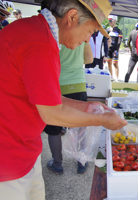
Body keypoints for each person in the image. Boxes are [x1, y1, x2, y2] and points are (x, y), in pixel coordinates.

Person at [0, 0, 127, 199]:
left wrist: (89, 106)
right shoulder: (39, 41)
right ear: (72, 17)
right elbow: (52, 113)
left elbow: (48, 99)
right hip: (7, 156)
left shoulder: (36, 31)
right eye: (90, 31)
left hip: (24, 149)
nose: (88, 40)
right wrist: (102, 120)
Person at [45, 42, 93, 175]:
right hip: (78, 84)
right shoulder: (82, 37)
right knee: (80, 126)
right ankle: (81, 162)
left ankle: (57, 164)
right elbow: (89, 59)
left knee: (53, 128)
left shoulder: (55, 35)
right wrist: (75, 62)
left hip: (57, 83)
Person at [107, 15, 122, 81]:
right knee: (109, 62)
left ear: (115, 21)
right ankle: (111, 77)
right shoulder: (108, 30)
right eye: (109, 20)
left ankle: (116, 78)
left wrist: (117, 50)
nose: (109, 22)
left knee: (115, 63)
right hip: (109, 49)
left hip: (115, 49)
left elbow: (119, 41)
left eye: (111, 20)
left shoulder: (118, 31)